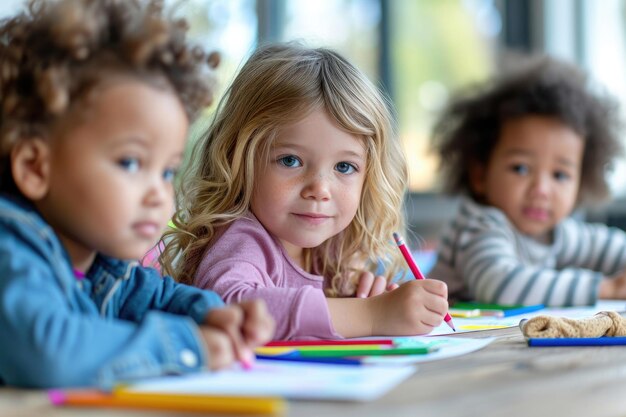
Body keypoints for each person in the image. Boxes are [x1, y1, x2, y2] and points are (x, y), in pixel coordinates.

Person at [0, 0, 274, 388]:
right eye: (130, 163)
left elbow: (155, 297)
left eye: (167, 171)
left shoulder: (98, 263)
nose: (159, 195)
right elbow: (47, 353)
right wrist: (189, 346)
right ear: (34, 167)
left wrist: (213, 315)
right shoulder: (10, 252)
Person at [160, 43, 449, 340]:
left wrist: (362, 301)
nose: (319, 190)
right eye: (290, 160)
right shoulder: (243, 238)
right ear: (238, 158)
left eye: (344, 167)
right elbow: (227, 307)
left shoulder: (331, 250)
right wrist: (371, 315)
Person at [429, 54, 626, 307]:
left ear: (580, 183)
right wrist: (606, 288)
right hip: (460, 343)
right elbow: (500, 284)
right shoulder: (480, 226)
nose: (541, 189)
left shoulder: (559, 233)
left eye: (560, 175)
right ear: (480, 175)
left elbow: (610, 247)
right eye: (521, 168)